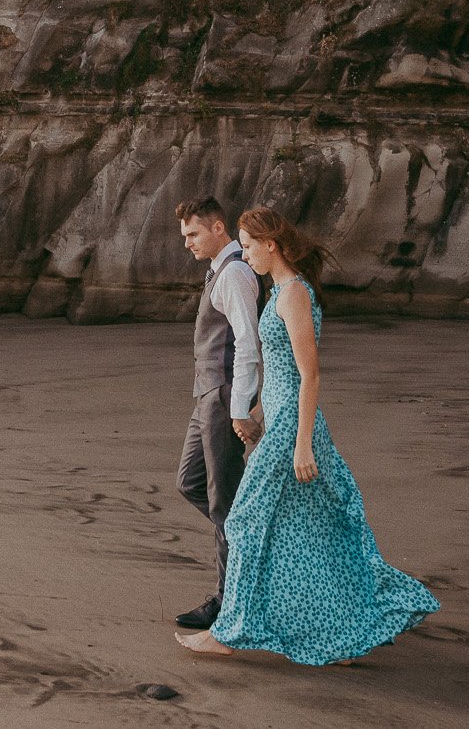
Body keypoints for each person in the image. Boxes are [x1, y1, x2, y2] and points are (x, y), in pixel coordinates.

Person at [178, 206, 438, 664]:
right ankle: (340, 623)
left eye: (250, 244)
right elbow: (277, 371)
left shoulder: (293, 293)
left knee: (243, 522)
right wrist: (255, 409)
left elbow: (310, 375)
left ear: (271, 245)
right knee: (313, 531)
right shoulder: (279, 290)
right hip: (276, 418)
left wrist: (300, 443)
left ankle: (228, 632)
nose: (246, 254)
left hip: (292, 429)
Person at [170, 198, 264, 632]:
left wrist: (242, 407)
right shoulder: (220, 273)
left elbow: (247, 344)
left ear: (218, 228)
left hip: (224, 397)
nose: (187, 243)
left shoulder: (236, 274)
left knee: (224, 502)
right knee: (190, 483)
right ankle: (256, 542)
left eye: (193, 234)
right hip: (207, 395)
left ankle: (229, 605)